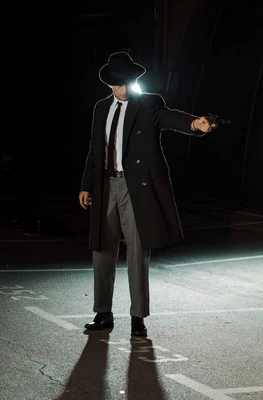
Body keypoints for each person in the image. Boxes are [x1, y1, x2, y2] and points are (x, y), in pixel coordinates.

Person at [78, 51, 216, 337]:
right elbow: (94, 150)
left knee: (138, 252)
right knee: (102, 250)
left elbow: (170, 118)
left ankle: (137, 318)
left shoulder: (148, 104)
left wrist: (195, 125)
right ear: (110, 85)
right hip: (106, 185)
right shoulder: (101, 109)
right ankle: (103, 313)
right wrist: (86, 184)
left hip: (135, 187)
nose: (125, 88)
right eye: (119, 83)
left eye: (128, 82)